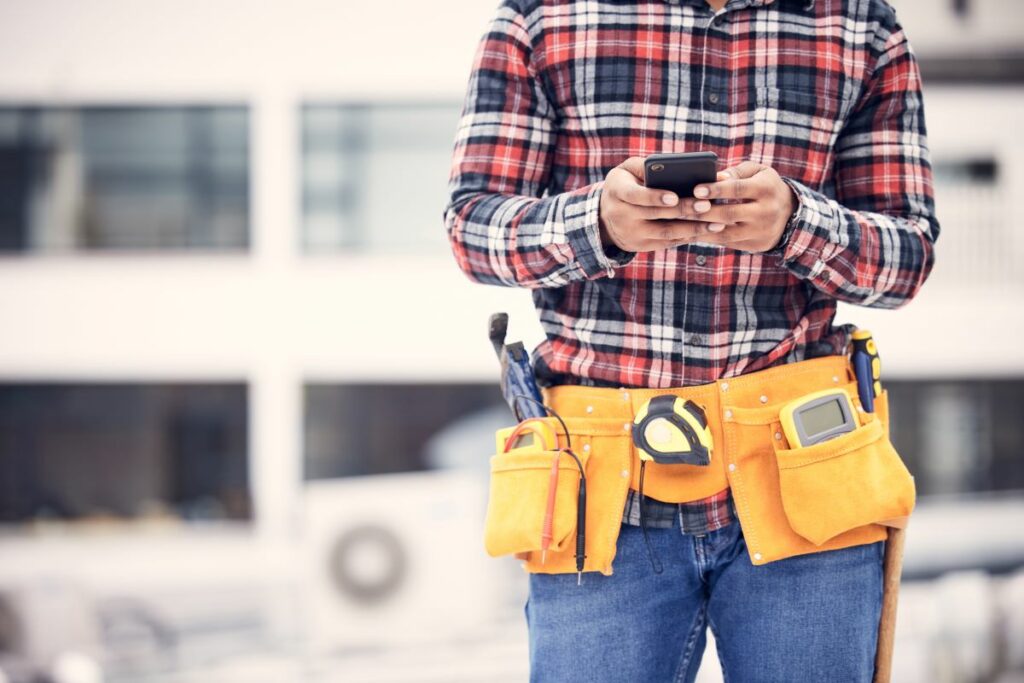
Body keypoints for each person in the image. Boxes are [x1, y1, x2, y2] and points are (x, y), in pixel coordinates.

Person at [444, 0, 938, 680]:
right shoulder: (540, 18)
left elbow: (908, 258)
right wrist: (598, 224)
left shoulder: (861, 25)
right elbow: (472, 229)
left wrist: (797, 223)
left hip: (805, 483)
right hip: (600, 490)